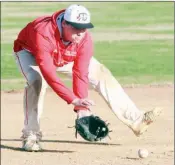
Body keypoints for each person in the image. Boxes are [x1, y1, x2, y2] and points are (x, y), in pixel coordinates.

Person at [13, 4, 162, 152]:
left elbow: (80, 72)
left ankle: (136, 120)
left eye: (83, 28)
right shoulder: (44, 33)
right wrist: (73, 99)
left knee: (101, 73)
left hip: (63, 55)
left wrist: (82, 107)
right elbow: (49, 73)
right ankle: (31, 135)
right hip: (30, 53)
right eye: (76, 28)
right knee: (36, 81)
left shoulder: (84, 39)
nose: (80, 33)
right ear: (64, 23)